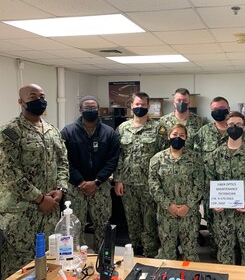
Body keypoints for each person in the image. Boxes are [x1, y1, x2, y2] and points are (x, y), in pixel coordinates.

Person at [0, 84, 69, 280]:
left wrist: (61, 189)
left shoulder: (52, 130)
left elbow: (63, 162)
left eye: (42, 96)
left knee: (48, 263)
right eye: (33, 96)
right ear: (21, 102)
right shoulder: (9, 132)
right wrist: (39, 198)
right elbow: (9, 173)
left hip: (49, 212)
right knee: (19, 268)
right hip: (20, 214)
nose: (39, 99)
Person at [61, 95, 120, 253]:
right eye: (87, 108)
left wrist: (97, 181)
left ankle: (104, 260)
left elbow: (112, 160)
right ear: (80, 110)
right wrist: (81, 182)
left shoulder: (109, 133)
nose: (91, 110)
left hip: (100, 187)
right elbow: (64, 161)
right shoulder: (68, 132)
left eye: (94, 108)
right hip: (75, 189)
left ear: (98, 110)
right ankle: (76, 260)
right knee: (73, 226)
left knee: (103, 226)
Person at [205, 112, 245, 266]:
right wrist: (214, 202)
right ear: (226, 126)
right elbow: (208, 184)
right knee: (225, 258)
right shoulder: (215, 156)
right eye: (231, 125)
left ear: (244, 128)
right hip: (223, 215)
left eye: (239, 124)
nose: (235, 128)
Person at [114, 92, 166, 257]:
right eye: (137, 104)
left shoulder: (159, 128)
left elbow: (164, 155)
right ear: (131, 106)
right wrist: (118, 180)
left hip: (149, 185)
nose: (140, 107)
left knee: (150, 222)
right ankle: (136, 251)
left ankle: (150, 254)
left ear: (148, 106)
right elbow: (118, 156)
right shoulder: (122, 128)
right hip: (128, 184)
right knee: (132, 221)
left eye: (143, 105)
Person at [148, 124, 204, 261]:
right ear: (168, 136)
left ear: (186, 138)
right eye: (174, 135)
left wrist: (187, 206)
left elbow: (200, 184)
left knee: (190, 253)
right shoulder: (157, 159)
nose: (177, 138)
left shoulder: (195, 159)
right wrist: (169, 205)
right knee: (167, 253)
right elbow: (154, 186)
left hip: (189, 214)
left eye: (182, 135)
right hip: (166, 213)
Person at [193, 96, 230, 257]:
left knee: (232, 222)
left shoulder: (239, 130)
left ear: (228, 109)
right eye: (215, 109)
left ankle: (232, 252)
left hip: (232, 187)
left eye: (222, 108)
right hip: (210, 187)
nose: (219, 111)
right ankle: (216, 252)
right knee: (213, 221)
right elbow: (195, 159)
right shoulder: (204, 132)